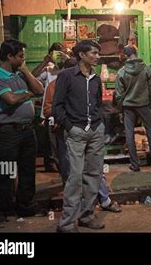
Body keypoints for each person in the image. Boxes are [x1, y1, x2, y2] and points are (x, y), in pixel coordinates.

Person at [0, 39, 44, 228]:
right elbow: (10, 99)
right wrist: (26, 95)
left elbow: (39, 90)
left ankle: (25, 206)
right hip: (7, 133)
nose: (23, 59)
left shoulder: (19, 73)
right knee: (4, 174)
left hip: (27, 130)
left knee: (28, 172)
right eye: (20, 56)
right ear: (9, 56)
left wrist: (26, 71)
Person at [53, 40, 106, 232]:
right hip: (76, 132)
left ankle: (86, 215)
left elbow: (98, 103)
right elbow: (57, 106)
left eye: (98, 53)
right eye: (94, 53)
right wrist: (69, 126)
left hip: (95, 131)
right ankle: (66, 223)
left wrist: (100, 124)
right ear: (82, 55)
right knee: (74, 177)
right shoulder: (66, 76)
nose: (97, 56)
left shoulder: (95, 78)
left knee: (93, 175)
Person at [114, 45, 151, 172]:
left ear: (125, 56)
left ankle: (135, 165)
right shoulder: (147, 69)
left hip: (128, 106)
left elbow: (118, 94)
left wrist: (121, 109)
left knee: (129, 133)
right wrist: (150, 104)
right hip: (144, 104)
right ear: (136, 53)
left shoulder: (121, 72)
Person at [37, 43, 71, 172]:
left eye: (62, 53)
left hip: (67, 116)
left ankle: (64, 171)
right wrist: (44, 62)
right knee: (53, 145)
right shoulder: (49, 70)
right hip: (51, 114)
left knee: (65, 147)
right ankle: (57, 167)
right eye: (57, 53)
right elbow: (34, 77)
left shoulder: (70, 70)